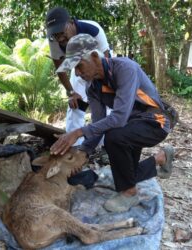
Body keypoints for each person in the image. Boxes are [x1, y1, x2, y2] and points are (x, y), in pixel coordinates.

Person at [50, 34, 175, 213]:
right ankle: (160, 158)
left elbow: (119, 118)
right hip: (132, 126)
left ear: (94, 57)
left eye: (79, 66)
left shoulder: (125, 68)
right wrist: (83, 152)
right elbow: (99, 122)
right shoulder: (92, 87)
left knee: (114, 137)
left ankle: (129, 193)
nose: (77, 73)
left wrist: (78, 132)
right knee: (125, 174)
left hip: (156, 122)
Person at [46, 7, 110, 145]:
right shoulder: (54, 40)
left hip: (100, 68)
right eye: (55, 35)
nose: (60, 38)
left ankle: (107, 145)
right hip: (78, 70)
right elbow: (60, 69)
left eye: (61, 33)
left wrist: (101, 85)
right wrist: (71, 92)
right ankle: (73, 145)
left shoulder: (93, 29)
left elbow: (107, 59)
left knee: (107, 105)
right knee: (75, 104)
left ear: (70, 22)